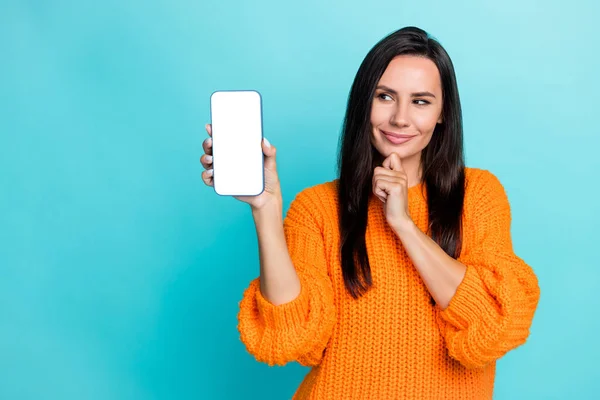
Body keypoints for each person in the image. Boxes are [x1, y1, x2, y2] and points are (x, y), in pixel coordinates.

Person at [200, 26, 540, 400]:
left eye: (421, 101)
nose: (399, 118)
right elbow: (290, 336)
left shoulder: (476, 194)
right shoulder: (317, 207)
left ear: (443, 114)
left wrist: (403, 225)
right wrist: (266, 210)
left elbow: (492, 322)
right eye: (385, 96)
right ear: (364, 102)